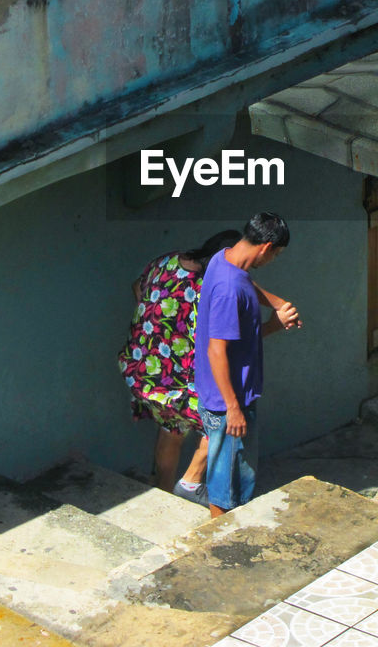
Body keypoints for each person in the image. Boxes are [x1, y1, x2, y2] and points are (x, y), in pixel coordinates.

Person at [118, 228, 240, 500]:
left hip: (144, 371)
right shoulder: (206, 287)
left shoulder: (167, 261)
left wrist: (153, 317)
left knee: (172, 428)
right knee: (224, 421)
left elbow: (137, 286)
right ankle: (189, 483)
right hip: (177, 378)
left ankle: (163, 495)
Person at [193, 212, 301, 517]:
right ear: (266, 248)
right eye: (276, 254)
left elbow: (247, 285)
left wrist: (277, 305)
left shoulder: (223, 259)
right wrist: (233, 408)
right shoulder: (230, 292)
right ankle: (221, 546)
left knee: (237, 477)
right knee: (225, 488)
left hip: (228, 396)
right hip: (228, 402)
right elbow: (217, 352)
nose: (273, 259)